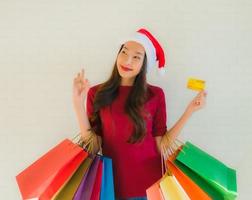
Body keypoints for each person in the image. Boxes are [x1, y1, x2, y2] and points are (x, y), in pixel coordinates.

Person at [72, 28, 207, 200]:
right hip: (110, 186)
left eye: (136, 57)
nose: (127, 60)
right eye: (124, 52)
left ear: (144, 64)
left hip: (150, 186)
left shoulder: (155, 95)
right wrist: (77, 103)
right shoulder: (96, 93)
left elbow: (161, 145)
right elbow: (94, 145)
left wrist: (189, 111)